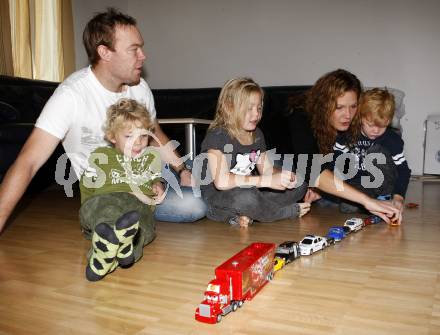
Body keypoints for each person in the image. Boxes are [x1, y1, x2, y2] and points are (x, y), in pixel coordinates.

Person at [0, 8, 206, 235]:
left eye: (141, 47)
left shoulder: (140, 88)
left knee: (196, 202)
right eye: (134, 49)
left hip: (144, 179)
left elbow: (155, 135)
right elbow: (27, 162)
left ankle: (136, 217)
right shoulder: (71, 95)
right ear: (105, 52)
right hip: (106, 192)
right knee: (185, 206)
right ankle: (119, 221)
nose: (143, 56)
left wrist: (182, 170)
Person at [287, 69, 400, 223]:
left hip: (305, 173)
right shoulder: (301, 119)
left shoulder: (345, 125)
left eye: (353, 106)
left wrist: (323, 188)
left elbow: (331, 167)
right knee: (295, 188)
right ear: (323, 105)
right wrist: (366, 201)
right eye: (339, 107)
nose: (348, 115)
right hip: (268, 167)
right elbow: (313, 171)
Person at [200, 77, 310, 228]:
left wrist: (282, 176)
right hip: (218, 196)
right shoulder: (218, 135)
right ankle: (278, 213)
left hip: (250, 189)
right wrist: (265, 181)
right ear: (229, 107)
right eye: (249, 109)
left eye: (259, 108)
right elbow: (221, 182)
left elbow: (267, 171)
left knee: (300, 183)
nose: (256, 114)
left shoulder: (257, 134)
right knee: (247, 197)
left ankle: (248, 213)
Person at [80, 98, 163, 281]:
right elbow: (86, 184)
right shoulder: (102, 156)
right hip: (105, 200)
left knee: (143, 228)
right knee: (108, 209)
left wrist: (158, 184)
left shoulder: (149, 159)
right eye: (128, 136)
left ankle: (115, 255)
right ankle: (112, 244)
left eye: (143, 136)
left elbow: (154, 180)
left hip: (137, 206)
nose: (138, 143)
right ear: (112, 137)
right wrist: (87, 209)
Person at [331, 88, 411, 224]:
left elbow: (403, 170)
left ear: (389, 121)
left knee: (376, 152)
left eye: (383, 126)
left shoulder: (392, 140)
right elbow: (335, 164)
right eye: (370, 125)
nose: (376, 130)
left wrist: (399, 197)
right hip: (359, 184)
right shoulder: (347, 135)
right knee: (347, 207)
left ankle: (383, 198)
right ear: (360, 117)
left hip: (383, 183)